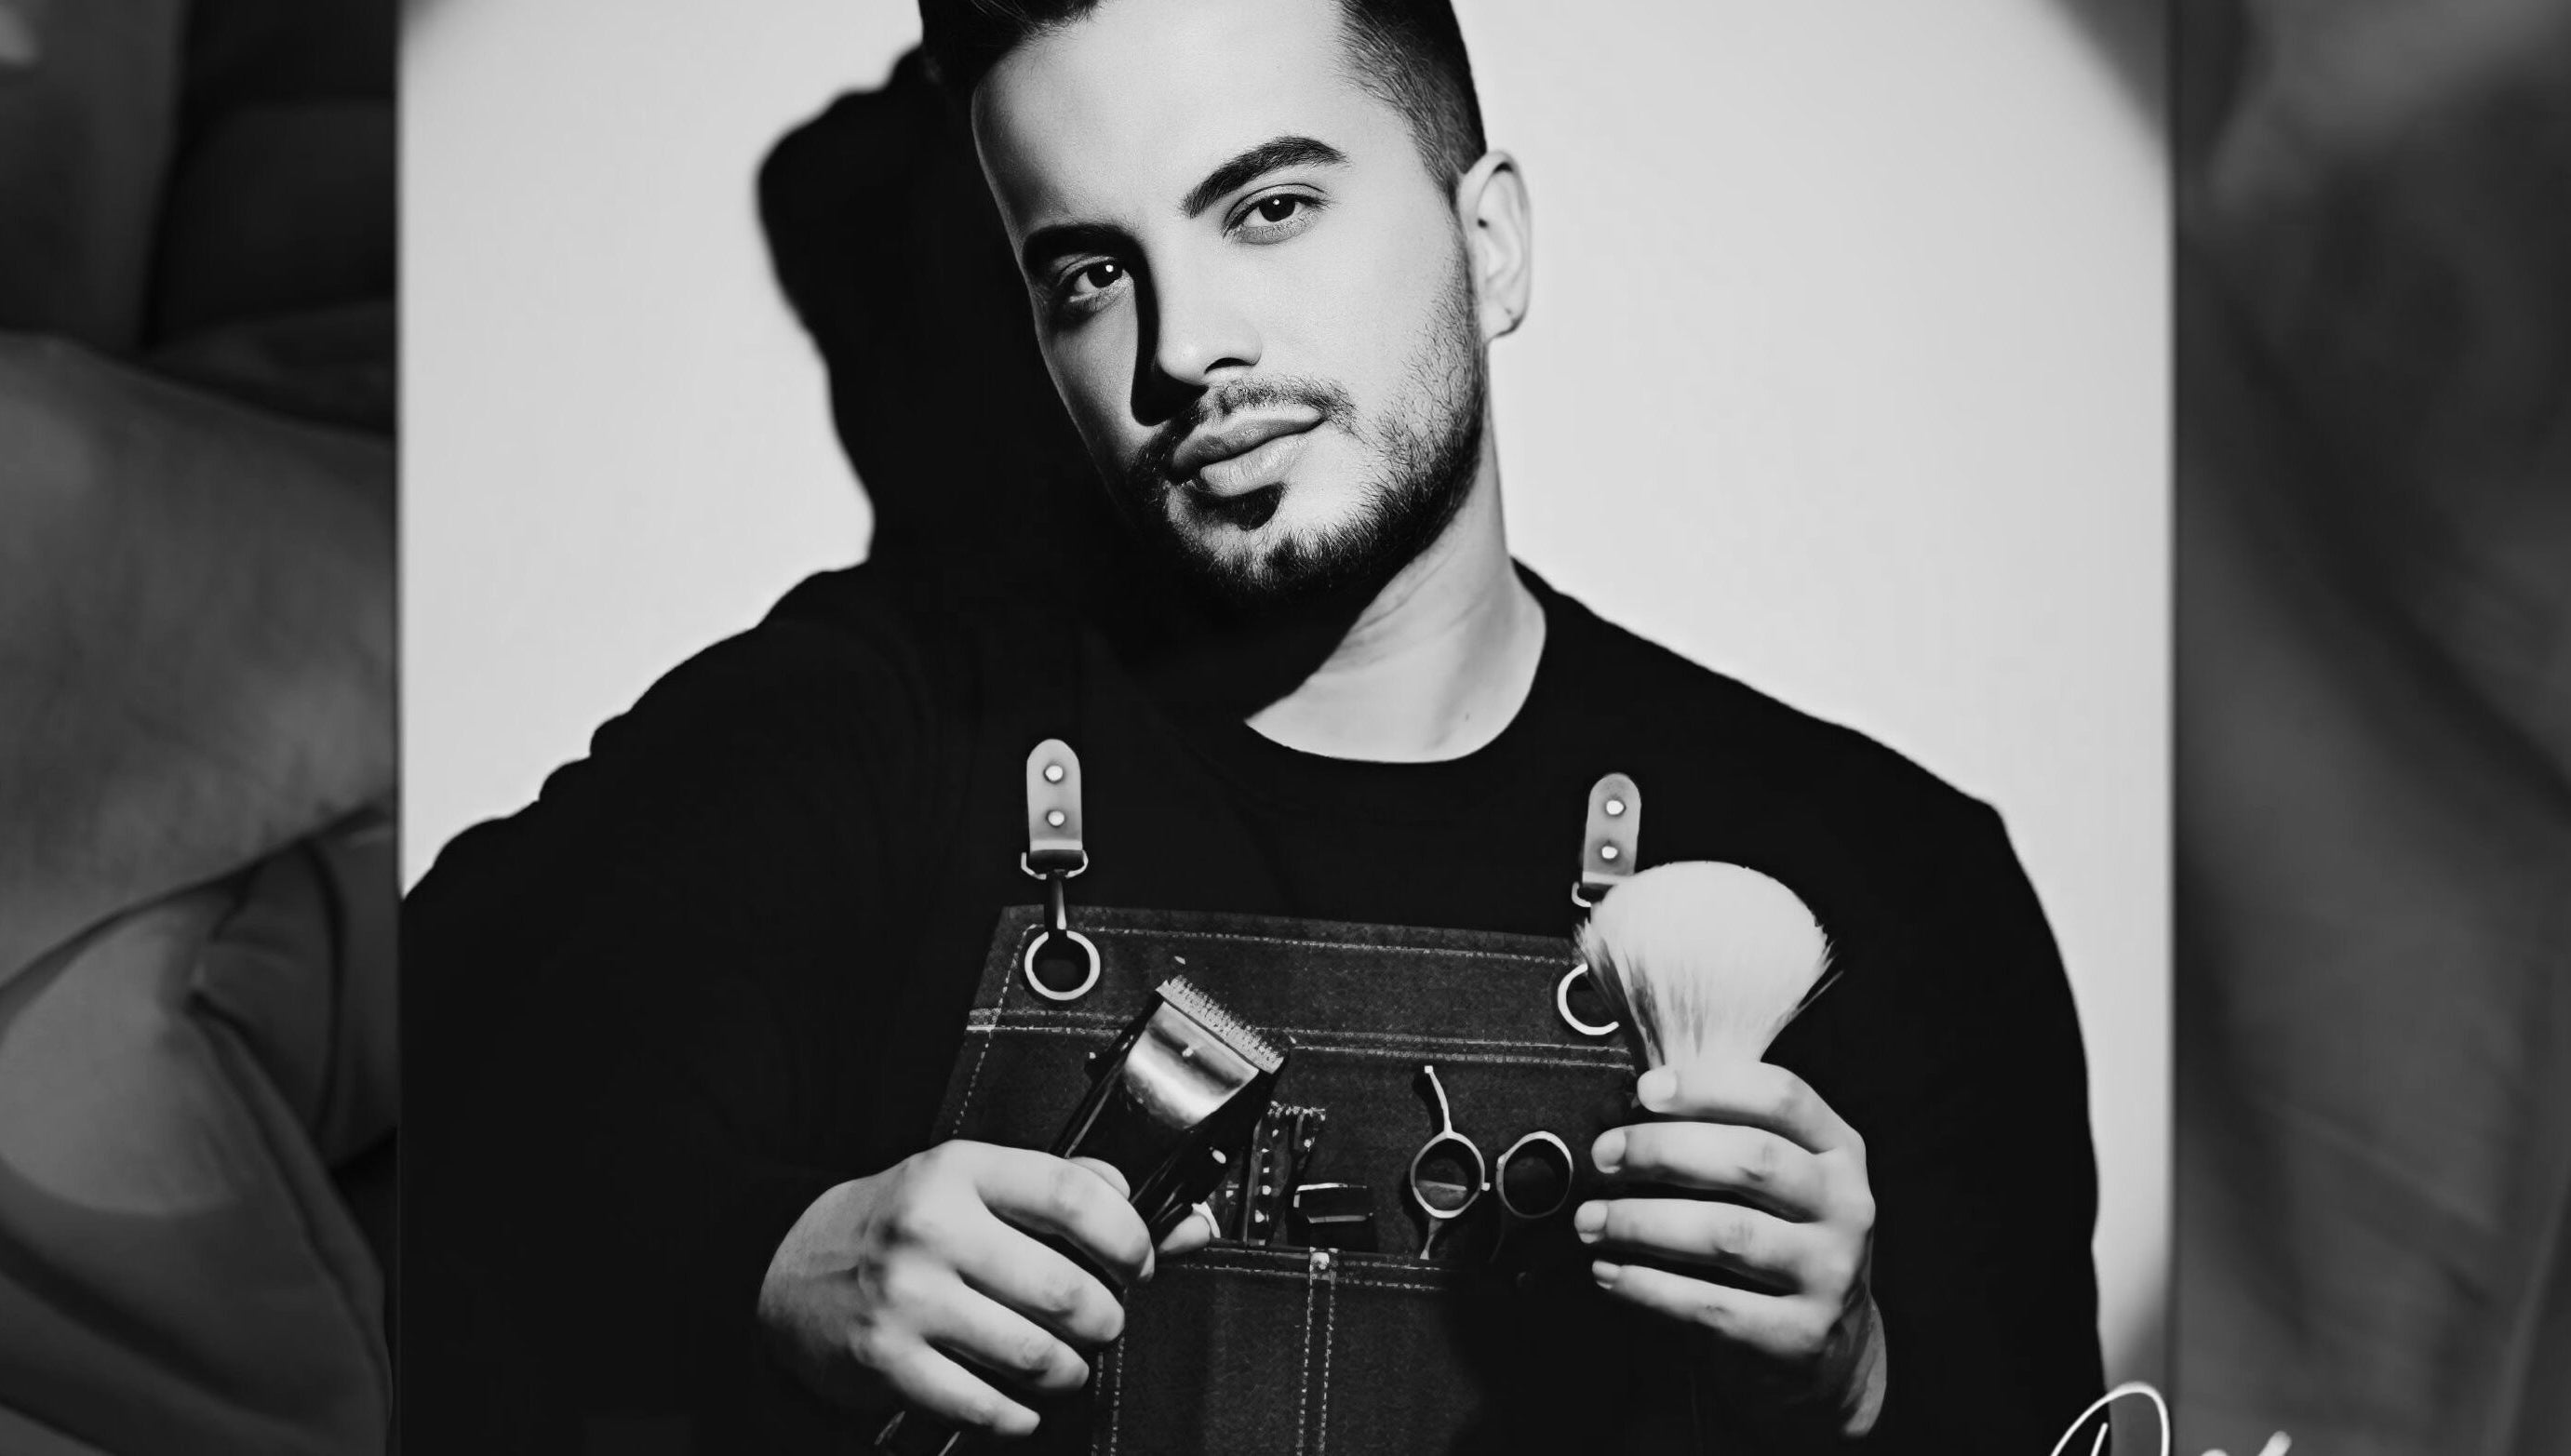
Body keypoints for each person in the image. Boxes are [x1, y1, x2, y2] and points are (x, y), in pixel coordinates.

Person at [405, 1, 2106, 1450]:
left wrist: (1869, 1380)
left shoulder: (1885, 878)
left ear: (1490, 238)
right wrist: (761, 1271)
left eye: (1270, 207)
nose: (1185, 346)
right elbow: (426, 1119)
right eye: (1087, 274)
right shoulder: (872, 734)